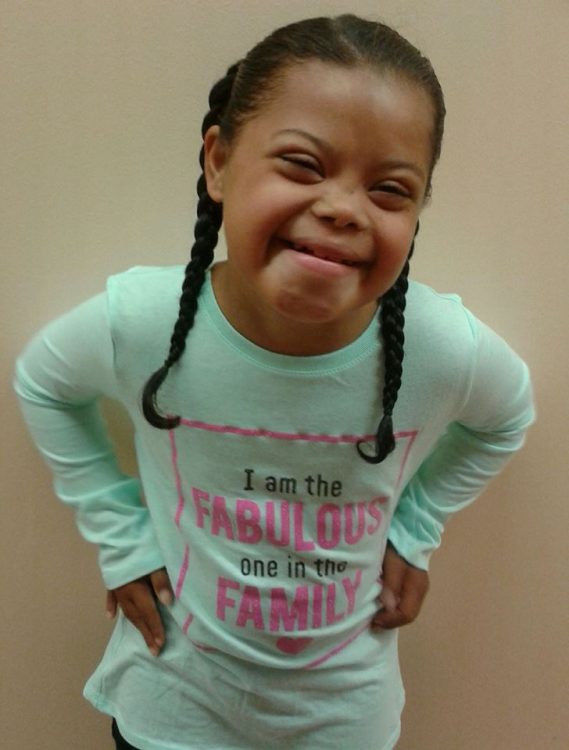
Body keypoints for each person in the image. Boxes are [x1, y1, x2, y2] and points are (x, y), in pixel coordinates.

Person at [14, 14, 534, 750]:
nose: (342, 208)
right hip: (171, 712)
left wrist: (416, 533)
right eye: (301, 164)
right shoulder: (145, 322)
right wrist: (121, 538)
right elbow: (43, 384)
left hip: (342, 724)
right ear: (218, 161)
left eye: (388, 189)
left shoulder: (443, 349)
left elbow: (505, 420)